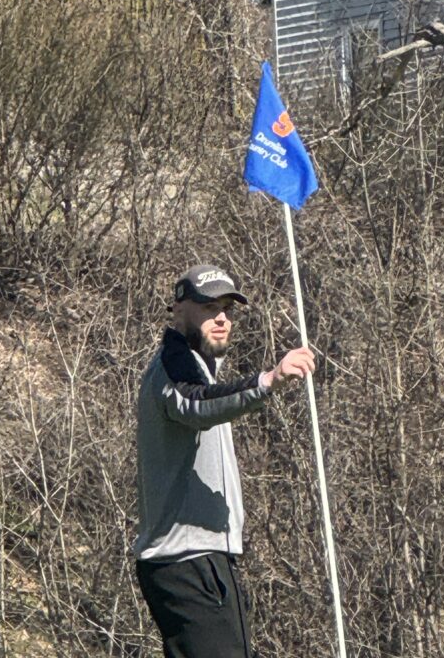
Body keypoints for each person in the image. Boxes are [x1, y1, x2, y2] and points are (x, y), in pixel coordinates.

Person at [134, 263, 315, 658]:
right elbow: (196, 404)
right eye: (208, 307)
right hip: (186, 563)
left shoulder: (198, 367)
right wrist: (267, 381)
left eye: (228, 309)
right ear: (179, 310)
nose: (221, 318)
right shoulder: (174, 364)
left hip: (201, 562)